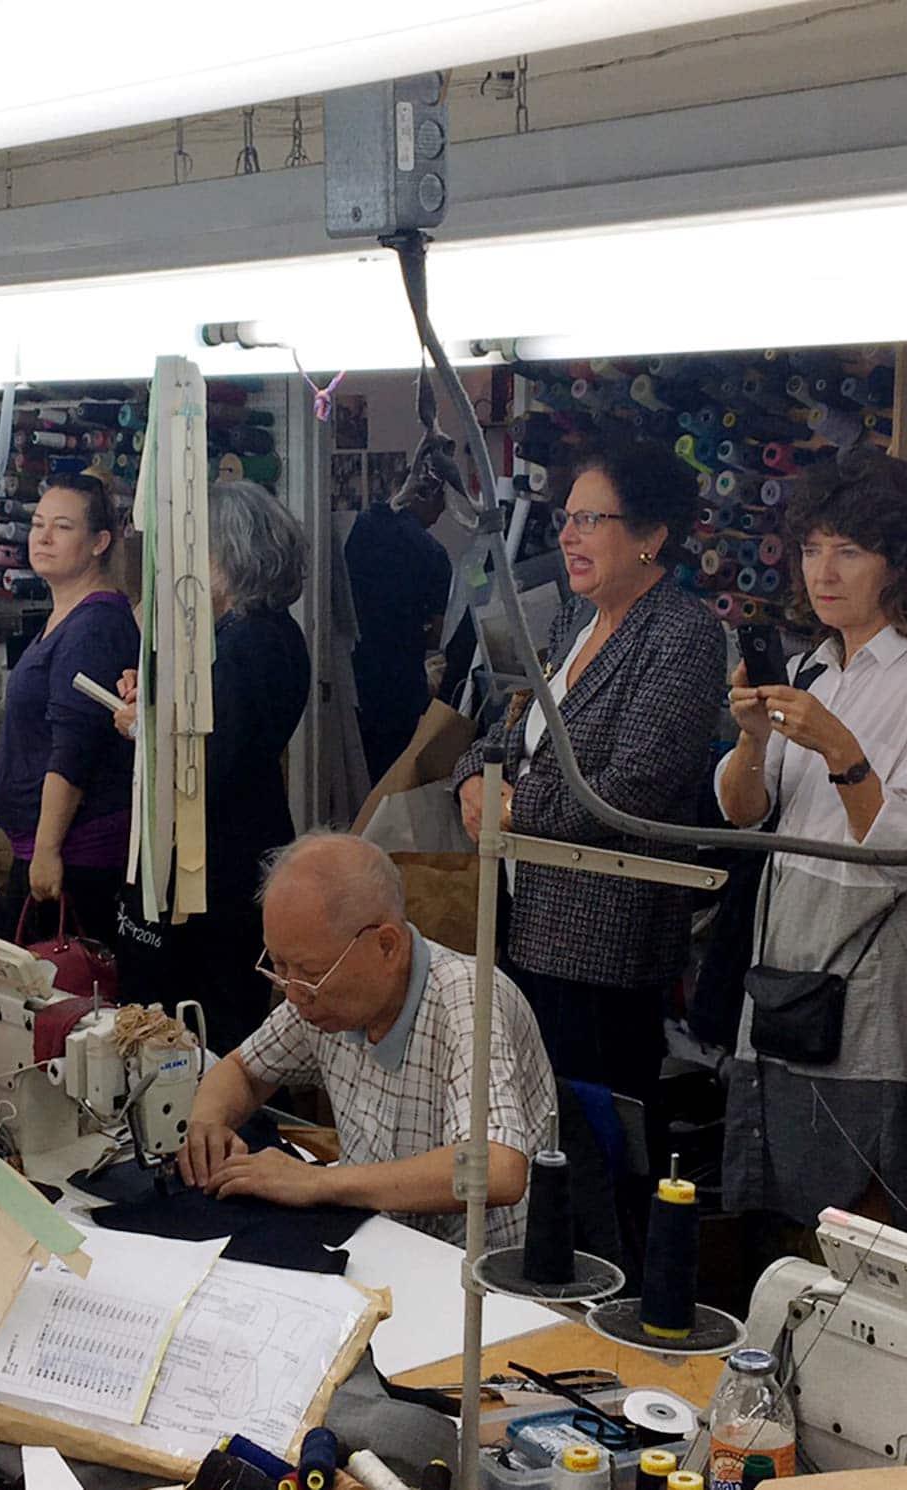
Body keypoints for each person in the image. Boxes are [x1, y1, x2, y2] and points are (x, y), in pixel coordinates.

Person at [712, 447, 907, 1229]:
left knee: (869, 1208)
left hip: (873, 980)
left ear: (897, 565)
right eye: (813, 549)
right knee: (782, 1206)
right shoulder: (814, 668)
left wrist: (840, 749)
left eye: (850, 552)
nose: (825, 571)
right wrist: (753, 741)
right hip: (788, 965)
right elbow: (742, 813)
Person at [449, 439, 726, 1100]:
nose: (568, 536)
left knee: (592, 1141)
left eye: (590, 521)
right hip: (523, 914)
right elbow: (508, 730)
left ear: (651, 537)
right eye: (568, 519)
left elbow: (635, 786)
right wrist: (470, 779)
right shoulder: (579, 617)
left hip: (604, 944)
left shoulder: (682, 635)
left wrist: (512, 809)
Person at [178, 833, 556, 1250]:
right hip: (375, 1244)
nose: (292, 992)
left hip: (470, 1280)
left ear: (387, 946)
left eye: (307, 971)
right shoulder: (316, 998)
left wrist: (319, 1181)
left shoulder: (468, 1001)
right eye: (279, 966)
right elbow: (243, 1071)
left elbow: (496, 1169)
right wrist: (207, 1124)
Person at [109, 480, 312, 1053]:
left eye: (196, 550)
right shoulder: (260, 636)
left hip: (214, 872)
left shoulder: (246, 644)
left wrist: (142, 728)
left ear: (229, 557)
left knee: (194, 1036)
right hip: (233, 853)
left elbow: (199, 761)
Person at [0, 473, 137, 941]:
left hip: (76, 856)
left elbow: (74, 747)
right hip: (43, 846)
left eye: (63, 527)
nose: (43, 537)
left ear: (99, 542)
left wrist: (49, 848)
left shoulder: (94, 626)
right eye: (37, 524)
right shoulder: (65, 616)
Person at [347, 477, 452, 783]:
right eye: (440, 500)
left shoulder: (356, 530)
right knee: (395, 778)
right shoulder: (433, 554)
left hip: (353, 675)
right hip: (400, 683)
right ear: (422, 495)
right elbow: (436, 635)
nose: (442, 510)